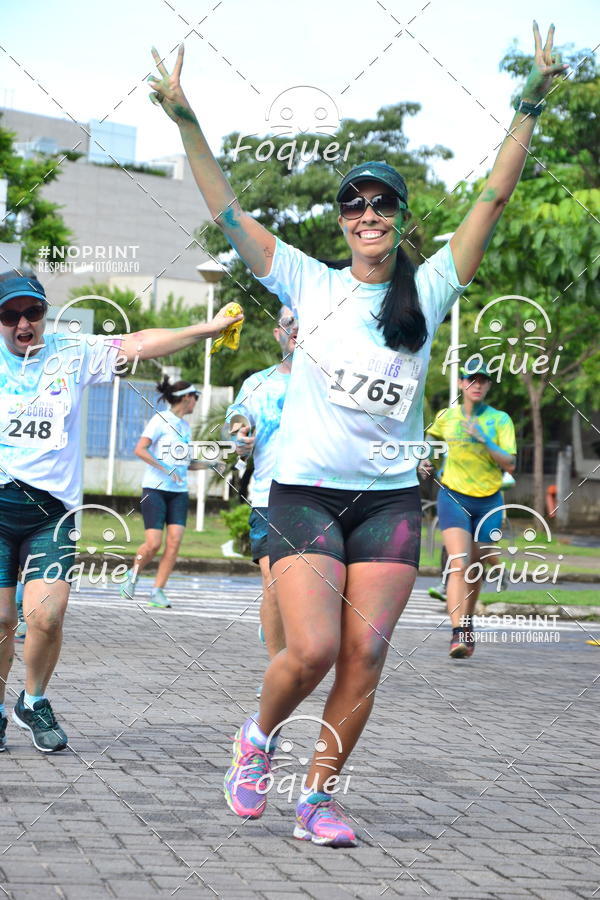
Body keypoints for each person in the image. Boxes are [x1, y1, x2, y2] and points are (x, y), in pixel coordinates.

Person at [148, 24, 566, 845]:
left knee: (365, 657)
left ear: (400, 219)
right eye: (354, 204)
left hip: (389, 504)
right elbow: (226, 209)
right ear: (342, 222)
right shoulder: (306, 280)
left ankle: (318, 799)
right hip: (305, 493)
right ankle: (256, 739)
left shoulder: (432, 288)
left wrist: (530, 105)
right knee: (309, 651)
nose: (367, 214)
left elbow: (491, 199)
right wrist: (187, 118)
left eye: (381, 204)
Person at [0, 267, 242, 752]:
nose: (23, 323)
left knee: (46, 616)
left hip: (52, 513)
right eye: (10, 314)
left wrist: (208, 328)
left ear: (45, 313)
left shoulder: (71, 353)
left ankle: (33, 700)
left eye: (33, 311)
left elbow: (140, 342)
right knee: (2, 621)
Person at [421, 364, 516, 658]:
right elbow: (429, 441)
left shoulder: (500, 420)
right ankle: (458, 633)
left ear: (488, 386)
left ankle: (467, 620)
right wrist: (425, 459)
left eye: (482, 380)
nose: (477, 385)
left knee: (477, 565)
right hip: (453, 496)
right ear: (461, 383)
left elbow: (510, 463)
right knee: (460, 564)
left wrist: (483, 438)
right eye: (471, 379)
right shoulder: (446, 417)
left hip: (489, 500)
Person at [225, 305, 297, 661]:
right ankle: (277, 669)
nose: (297, 327)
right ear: (278, 333)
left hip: (325, 499)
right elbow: (237, 417)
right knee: (274, 585)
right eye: (289, 322)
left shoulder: (334, 381)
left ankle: (278, 625)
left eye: (305, 321)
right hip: (269, 498)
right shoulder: (258, 383)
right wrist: (240, 434)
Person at [120, 377, 202, 609]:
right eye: (196, 397)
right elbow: (140, 449)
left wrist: (211, 464)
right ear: (187, 397)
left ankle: (158, 591)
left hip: (179, 493)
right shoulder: (160, 420)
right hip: (155, 490)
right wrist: (165, 468)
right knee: (153, 544)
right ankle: (132, 575)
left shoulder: (185, 427)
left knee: (174, 542)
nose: (196, 402)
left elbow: (184, 462)